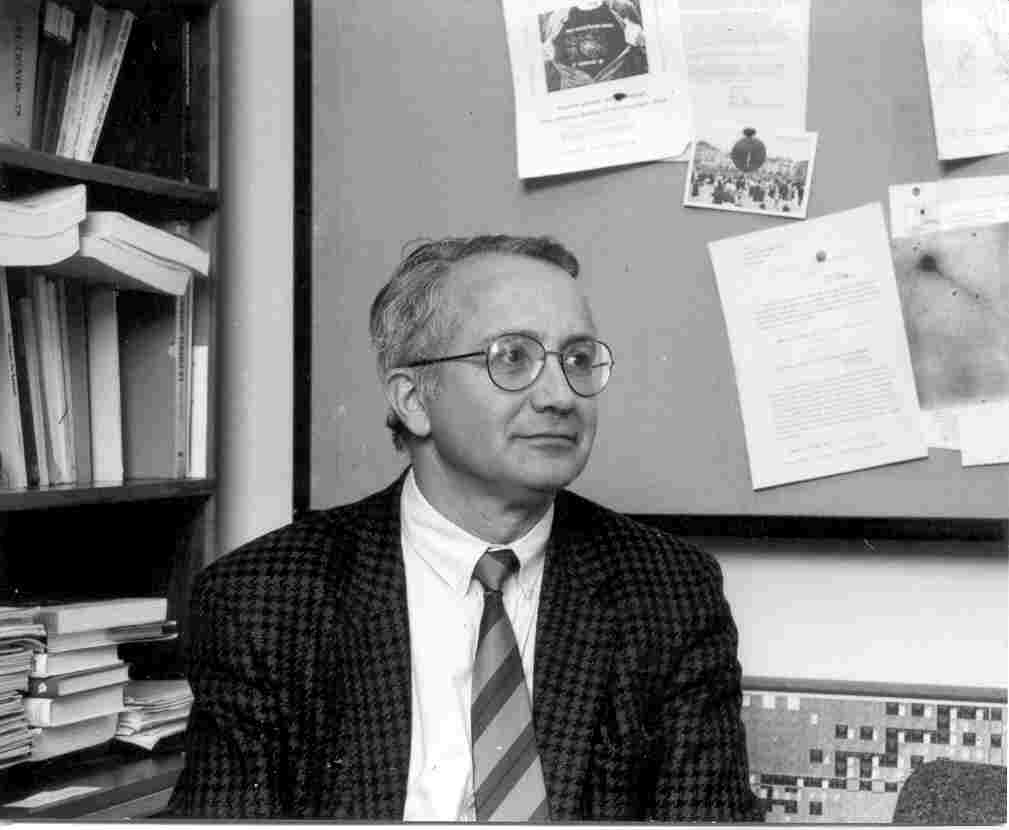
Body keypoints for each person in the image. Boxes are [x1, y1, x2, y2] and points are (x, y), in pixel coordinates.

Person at [165, 234, 761, 822]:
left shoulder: (670, 592)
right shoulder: (264, 599)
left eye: (578, 360)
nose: (560, 396)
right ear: (413, 399)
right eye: (512, 358)